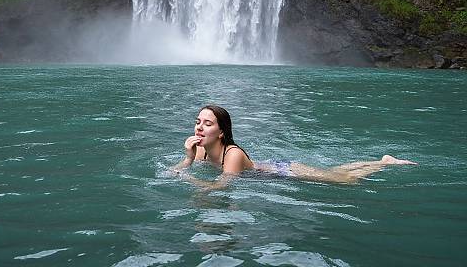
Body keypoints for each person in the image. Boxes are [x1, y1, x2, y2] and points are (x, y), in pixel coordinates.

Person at [172, 105, 417, 188]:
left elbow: (220, 188)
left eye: (207, 123)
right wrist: (188, 159)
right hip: (272, 175)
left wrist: (187, 179)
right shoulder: (200, 149)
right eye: (197, 122)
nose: (199, 128)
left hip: (285, 171)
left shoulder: (232, 154)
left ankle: (384, 162)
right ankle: (382, 160)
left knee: (345, 180)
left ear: (222, 131)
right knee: (339, 172)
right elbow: (181, 168)